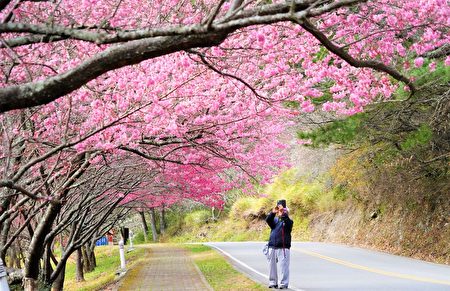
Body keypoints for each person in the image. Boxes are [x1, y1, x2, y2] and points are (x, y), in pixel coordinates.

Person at [265, 199, 293, 289]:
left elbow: (289, 225)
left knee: (284, 266)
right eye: (280, 210)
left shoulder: (288, 221)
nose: (280, 211)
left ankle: (283, 283)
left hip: (284, 247)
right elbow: (268, 220)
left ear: (286, 211)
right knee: (271, 266)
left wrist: (283, 214)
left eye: (283, 210)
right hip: (272, 246)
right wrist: (273, 212)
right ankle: (273, 282)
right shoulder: (275, 221)